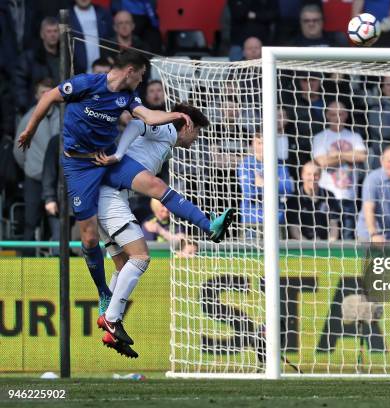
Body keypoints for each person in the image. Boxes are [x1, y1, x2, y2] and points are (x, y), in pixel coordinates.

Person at [17, 49, 233, 330]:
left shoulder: (128, 99)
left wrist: (174, 112)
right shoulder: (87, 84)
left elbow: (148, 117)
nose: (143, 79)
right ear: (131, 70)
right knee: (92, 237)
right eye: (142, 74)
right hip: (80, 166)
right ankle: (105, 296)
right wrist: (30, 130)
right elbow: (49, 97)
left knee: (124, 257)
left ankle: (111, 315)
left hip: (104, 163)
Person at [95, 103, 209, 357]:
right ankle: (112, 319)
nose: (197, 138)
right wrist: (118, 155)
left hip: (106, 197)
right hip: (110, 197)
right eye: (198, 131)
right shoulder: (168, 130)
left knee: (122, 264)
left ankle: (108, 321)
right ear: (188, 125)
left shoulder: (165, 144)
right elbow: (136, 124)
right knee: (141, 257)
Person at [13, 78, 60, 254]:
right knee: (30, 223)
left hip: (56, 180)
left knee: (56, 226)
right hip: (33, 178)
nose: (47, 96)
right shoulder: (28, 118)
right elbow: (18, 151)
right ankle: (27, 262)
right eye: (43, 92)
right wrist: (29, 168)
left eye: (50, 92)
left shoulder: (62, 115)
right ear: (36, 95)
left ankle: (56, 262)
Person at [312, 100, 367, 239]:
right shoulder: (320, 137)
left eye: (340, 114)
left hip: (350, 194)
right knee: (329, 236)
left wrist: (337, 154)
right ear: (327, 116)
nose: (337, 117)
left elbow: (362, 156)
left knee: (349, 236)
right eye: (332, 114)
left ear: (346, 115)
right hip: (328, 195)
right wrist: (349, 156)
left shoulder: (354, 136)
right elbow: (322, 162)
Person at [237, 131, 294, 239]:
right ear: (253, 144)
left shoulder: (280, 164)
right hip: (252, 222)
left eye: (266, 143)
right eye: (259, 143)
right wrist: (274, 183)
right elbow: (249, 192)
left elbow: (287, 189)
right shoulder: (246, 165)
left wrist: (262, 183)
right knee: (251, 255)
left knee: (279, 255)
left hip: (276, 220)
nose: (263, 147)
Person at [15, 17, 60, 114]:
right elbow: (20, 86)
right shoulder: (30, 58)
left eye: (55, 31)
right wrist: (26, 108)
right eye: (49, 31)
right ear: (42, 34)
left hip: (59, 111)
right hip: (35, 110)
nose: (53, 35)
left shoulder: (66, 56)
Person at [286, 161, 340, 240]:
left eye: (316, 174)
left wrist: (329, 245)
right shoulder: (294, 198)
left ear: (320, 176)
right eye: (309, 174)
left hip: (325, 245)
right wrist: (309, 247)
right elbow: (294, 229)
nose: (312, 178)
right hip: (302, 246)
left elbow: (334, 225)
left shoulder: (329, 196)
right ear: (302, 175)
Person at [69, 0, 113, 74]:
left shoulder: (103, 12)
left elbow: (110, 37)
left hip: (102, 71)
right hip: (78, 72)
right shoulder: (67, 15)